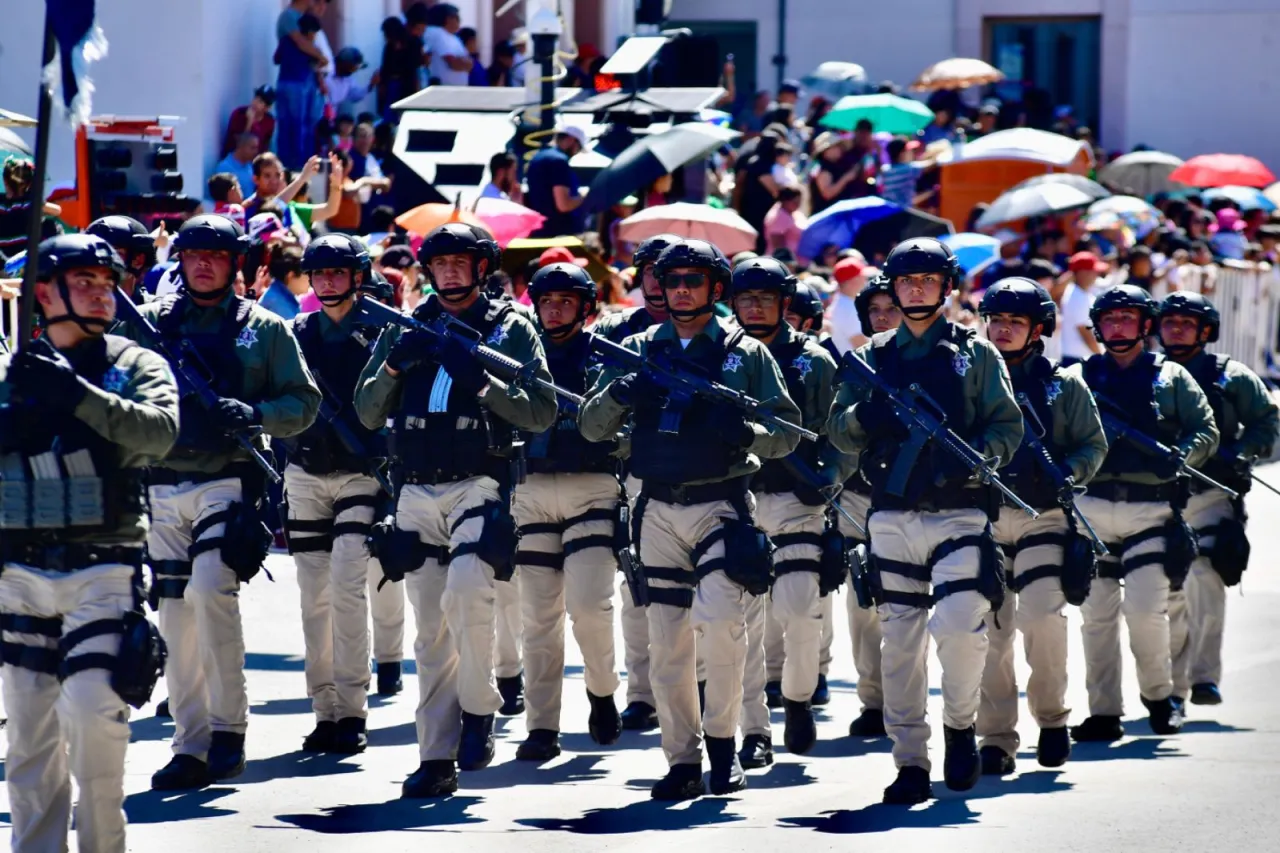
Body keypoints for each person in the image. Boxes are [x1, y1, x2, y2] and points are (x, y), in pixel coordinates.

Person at [578, 239, 801, 800]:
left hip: (720, 504)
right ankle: (681, 760)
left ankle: (723, 749)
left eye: (692, 280)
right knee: (667, 640)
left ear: (715, 289)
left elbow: (788, 432)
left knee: (724, 629)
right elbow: (590, 426)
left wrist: (744, 432)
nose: (679, 288)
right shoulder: (635, 349)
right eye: (671, 279)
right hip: (655, 508)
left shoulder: (743, 354)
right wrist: (623, 393)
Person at [115, 215, 322, 790]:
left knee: (211, 591)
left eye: (216, 254)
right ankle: (190, 742)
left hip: (227, 481)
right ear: (178, 260)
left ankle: (229, 731)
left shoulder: (266, 328)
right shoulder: (149, 324)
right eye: (192, 253)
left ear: (237, 264)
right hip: (160, 483)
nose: (202, 263)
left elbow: (303, 402)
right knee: (176, 615)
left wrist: (255, 414)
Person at [353, 223, 556, 798]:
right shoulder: (408, 325)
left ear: (481, 267)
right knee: (429, 628)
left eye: (459, 262)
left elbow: (540, 412)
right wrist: (395, 365)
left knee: (468, 590)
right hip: (415, 489)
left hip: (479, 483)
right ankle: (436, 757)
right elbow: (367, 413)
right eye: (438, 263)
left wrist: (485, 383)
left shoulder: (511, 328)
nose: (447, 272)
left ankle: (480, 709)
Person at [826, 237, 1023, 805]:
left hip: (959, 510)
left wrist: (980, 456)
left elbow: (1006, 428)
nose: (915, 288)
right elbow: (838, 430)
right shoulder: (869, 358)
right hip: (889, 514)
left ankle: (961, 728)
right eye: (906, 280)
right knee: (900, 642)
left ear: (946, 286)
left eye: (927, 279)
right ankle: (910, 759)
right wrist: (868, 412)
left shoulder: (976, 354)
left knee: (960, 628)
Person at [0, 234, 179, 853]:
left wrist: (74, 396)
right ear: (44, 292)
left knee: (93, 717)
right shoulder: (8, 372)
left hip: (103, 566)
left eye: (109, 283)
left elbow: (159, 433)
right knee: (28, 739)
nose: (103, 294)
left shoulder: (136, 364)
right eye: (86, 282)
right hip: (19, 571)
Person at [1068, 284, 1218, 744]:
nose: (1117, 328)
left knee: (1146, 612)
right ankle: (1104, 711)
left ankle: (1160, 697)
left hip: (1151, 511)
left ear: (1145, 325)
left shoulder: (1171, 377)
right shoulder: (1079, 378)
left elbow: (1205, 430)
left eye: (1126, 318)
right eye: (1108, 320)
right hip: (1091, 510)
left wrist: (1181, 455)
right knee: (1096, 617)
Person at [975, 278, 1107, 775]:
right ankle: (995, 738)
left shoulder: (1064, 383)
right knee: (989, 631)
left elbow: (1092, 446)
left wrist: (1069, 474)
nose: (1003, 330)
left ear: (1038, 330)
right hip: (981, 517)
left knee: (1039, 617)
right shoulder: (967, 376)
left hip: (1043, 516)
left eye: (1016, 322)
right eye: (996, 320)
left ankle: (1052, 721)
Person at [728, 257, 842, 766]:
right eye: (746, 298)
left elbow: (839, 433)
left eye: (766, 298)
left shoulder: (814, 361)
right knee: (741, 625)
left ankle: (797, 701)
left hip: (799, 502)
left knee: (799, 612)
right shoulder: (721, 356)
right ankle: (755, 728)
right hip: (736, 500)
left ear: (785, 304)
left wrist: (831, 480)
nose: (755, 306)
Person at [509, 262, 623, 761]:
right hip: (530, 487)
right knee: (536, 616)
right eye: (547, 301)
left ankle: (602, 692)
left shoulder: (604, 356)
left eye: (566, 301)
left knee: (590, 607)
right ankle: (541, 725)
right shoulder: (515, 353)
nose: (554, 309)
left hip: (592, 487)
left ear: (585, 307)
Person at [281, 236, 388, 754]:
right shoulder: (295, 332)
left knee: (347, 587)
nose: (326, 281)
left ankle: (352, 709)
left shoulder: (383, 331)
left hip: (360, 474)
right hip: (305, 472)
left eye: (337, 272)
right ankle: (324, 710)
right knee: (312, 598)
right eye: (318, 272)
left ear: (358, 276)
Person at [1157, 293, 1277, 707]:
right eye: (1168, 322)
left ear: (1206, 331)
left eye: (1186, 323)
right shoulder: (1146, 373)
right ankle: (1170, 686)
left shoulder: (1231, 376)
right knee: (1167, 590)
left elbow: (1267, 423)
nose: (1175, 329)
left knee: (1204, 574)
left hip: (1212, 493)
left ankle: (1204, 677)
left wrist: (1241, 454)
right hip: (1155, 497)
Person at [585, 232, 679, 732]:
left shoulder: (716, 334)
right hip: (636, 473)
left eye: (673, 274)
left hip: (699, 475)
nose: (662, 285)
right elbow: (596, 406)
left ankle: (700, 688)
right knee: (638, 587)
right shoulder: (618, 333)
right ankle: (642, 692)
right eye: (651, 273)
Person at [838, 273, 899, 739]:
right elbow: (834, 431)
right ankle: (875, 701)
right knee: (864, 609)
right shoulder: (855, 364)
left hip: (920, 505)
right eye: (875, 311)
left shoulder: (945, 360)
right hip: (860, 499)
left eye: (890, 308)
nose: (883, 318)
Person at [274, 11, 326, 170]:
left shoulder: (286, 40)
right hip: (300, 87)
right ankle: (300, 165)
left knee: (284, 126)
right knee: (301, 126)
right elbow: (321, 63)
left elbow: (276, 59)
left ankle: (282, 164)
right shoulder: (309, 47)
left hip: (283, 84)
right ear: (311, 31)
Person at [527, 127, 587, 238]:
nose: (576, 153)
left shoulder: (538, 157)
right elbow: (563, 205)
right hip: (556, 235)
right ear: (571, 140)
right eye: (578, 148)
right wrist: (584, 198)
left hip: (538, 231)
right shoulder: (559, 161)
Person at [85, 215, 157, 303]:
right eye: (94, 254)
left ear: (138, 261)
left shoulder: (157, 312)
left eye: (114, 253)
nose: (101, 261)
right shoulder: (76, 309)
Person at [1059, 252, 1105, 364]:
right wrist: (1102, 357)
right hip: (1077, 360)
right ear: (1081, 273)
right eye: (1092, 270)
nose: (1096, 274)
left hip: (1080, 357)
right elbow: (1085, 332)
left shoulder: (1080, 293)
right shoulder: (1077, 296)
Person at [222, 85, 277, 158]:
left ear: (267, 108)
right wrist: (249, 122)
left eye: (260, 101)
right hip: (236, 159)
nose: (255, 102)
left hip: (255, 161)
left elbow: (265, 147)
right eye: (255, 98)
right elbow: (238, 146)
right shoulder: (239, 114)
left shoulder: (269, 121)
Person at [424, 3, 472, 86]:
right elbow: (453, 63)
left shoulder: (453, 37)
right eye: (455, 17)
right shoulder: (437, 33)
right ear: (447, 19)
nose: (459, 21)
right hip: (442, 89)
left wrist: (465, 63)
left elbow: (469, 64)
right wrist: (464, 63)